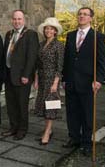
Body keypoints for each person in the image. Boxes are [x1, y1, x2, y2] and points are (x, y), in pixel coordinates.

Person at [62, 7, 105, 156]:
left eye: (85, 14)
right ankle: (74, 138)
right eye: (80, 14)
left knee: (87, 114)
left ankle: (87, 143)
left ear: (91, 18)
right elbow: (67, 59)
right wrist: (64, 78)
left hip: (88, 83)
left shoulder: (97, 37)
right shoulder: (70, 35)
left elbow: (101, 60)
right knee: (72, 112)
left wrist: (99, 79)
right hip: (71, 81)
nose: (82, 16)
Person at [1, 10, 39, 140]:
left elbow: (32, 57)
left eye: (19, 19)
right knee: (11, 104)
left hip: (22, 77)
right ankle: (13, 127)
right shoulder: (9, 34)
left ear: (24, 20)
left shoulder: (30, 34)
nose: (17, 21)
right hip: (9, 75)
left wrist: (27, 75)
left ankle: (22, 130)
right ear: (12, 20)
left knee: (21, 105)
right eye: (14, 19)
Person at [33, 17, 64, 145]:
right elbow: (37, 64)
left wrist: (56, 83)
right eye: (47, 28)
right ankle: (48, 130)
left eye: (51, 28)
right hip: (41, 78)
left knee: (51, 106)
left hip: (52, 80)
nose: (48, 30)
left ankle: (47, 132)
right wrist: (36, 80)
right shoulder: (41, 44)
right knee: (44, 106)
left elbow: (60, 65)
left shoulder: (59, 45)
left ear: (55, 31)